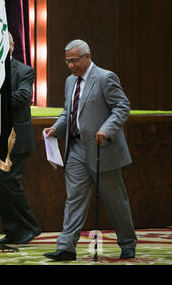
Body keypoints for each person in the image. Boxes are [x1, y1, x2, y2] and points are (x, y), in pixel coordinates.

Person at [43, 39, 137, 261]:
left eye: (74, 61)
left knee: (115, 201)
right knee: (74, 198)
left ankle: (127, 243)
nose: (70, 66)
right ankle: (66, 247)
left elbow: (122, 107)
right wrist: (56, 128)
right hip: (75, 148)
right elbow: (68, 112)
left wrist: (107, 129)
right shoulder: (69, 82)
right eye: (67, 61)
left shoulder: (105, 78)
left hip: (102, 150)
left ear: (87, 57)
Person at [0, 33, 41, 245]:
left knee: (9, 181)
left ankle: (30, 227)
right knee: (0, 185)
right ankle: (13, 230)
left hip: (18, 139)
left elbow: (23, 97)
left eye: (2, 41)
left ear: (12, 46)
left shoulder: (24, 70)